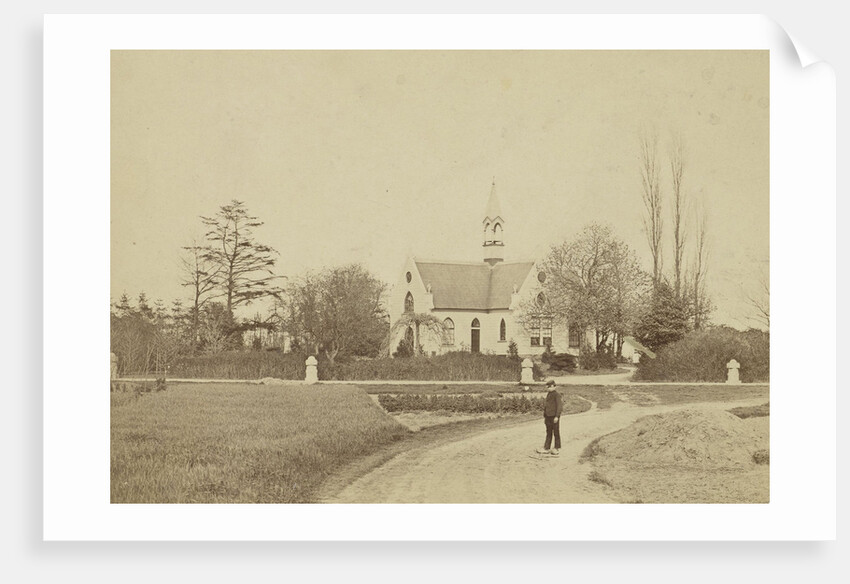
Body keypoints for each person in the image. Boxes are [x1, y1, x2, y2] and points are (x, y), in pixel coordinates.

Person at [537, 384, 563, 455]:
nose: (548, 388)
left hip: (554, 417)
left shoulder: (557, 395)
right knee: (548, 432)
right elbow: (547, 406)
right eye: (547, 387)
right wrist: (545, 415)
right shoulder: (549, 394)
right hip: (548, 417)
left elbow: (559, 407)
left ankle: (557, 448)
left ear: (553, 386)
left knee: (556, 432)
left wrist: (557, 416)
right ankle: (546, 448)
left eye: (549, 387)